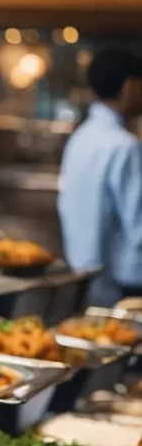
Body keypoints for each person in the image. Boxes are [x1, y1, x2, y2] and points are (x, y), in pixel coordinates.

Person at [59, 48, 142, 306]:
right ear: (129, 86)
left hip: (81, 277)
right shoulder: (124, 145)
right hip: (122, 288)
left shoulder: (81, 137)